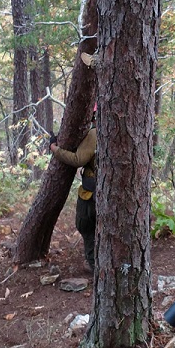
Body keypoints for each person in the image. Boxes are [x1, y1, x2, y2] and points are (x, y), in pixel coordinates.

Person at [50, 105, 97, 272]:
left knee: (85, 225)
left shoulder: (95, 133)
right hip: (104, 193)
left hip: (92, 192)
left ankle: (93, 264)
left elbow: (78, 159)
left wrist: (55, 149)